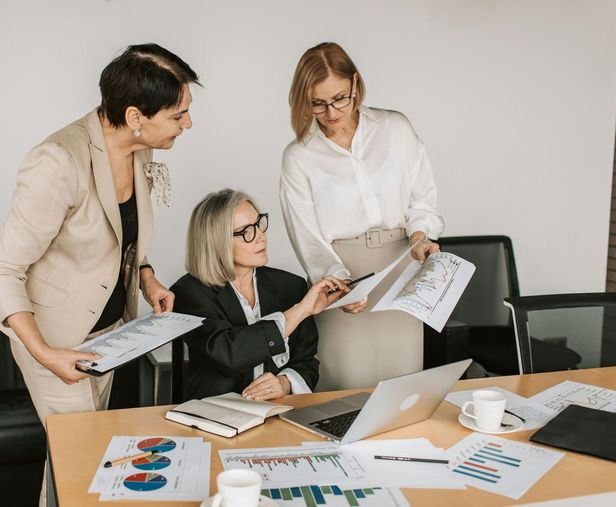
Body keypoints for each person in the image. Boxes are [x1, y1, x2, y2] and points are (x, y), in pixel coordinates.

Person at [0, 43, 198, 505]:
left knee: (71, 462)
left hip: (108, 335)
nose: (187, 125)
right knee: (88, 464)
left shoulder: (136, 150)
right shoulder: (57, 161)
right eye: (179, 115)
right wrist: (46, 353)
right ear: (136, 115)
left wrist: (147, 277)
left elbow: (119, 237)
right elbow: (4, 271)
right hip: (56, 341)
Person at [280, 42, 445, 391]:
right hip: (343, 278)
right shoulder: (299, 156)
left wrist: (420, 237)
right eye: (318, 103)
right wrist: (339, 282)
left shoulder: (395, 128)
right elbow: (307, 237)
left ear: (355, 84)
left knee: (403, 388)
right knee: (345, 389)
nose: (331, 111)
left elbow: (422, 198)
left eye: (339, 98)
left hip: (403, 266)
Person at [171, 189, 348, 401]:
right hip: (217, 416)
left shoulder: (291, 285)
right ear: (217, 242)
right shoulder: (188, 293)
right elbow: (229, 353)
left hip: (278, 412)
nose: (261, 236)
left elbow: (307, 361)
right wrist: (301, 310)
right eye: (246, 231)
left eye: (259, 224)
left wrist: (285, 383)